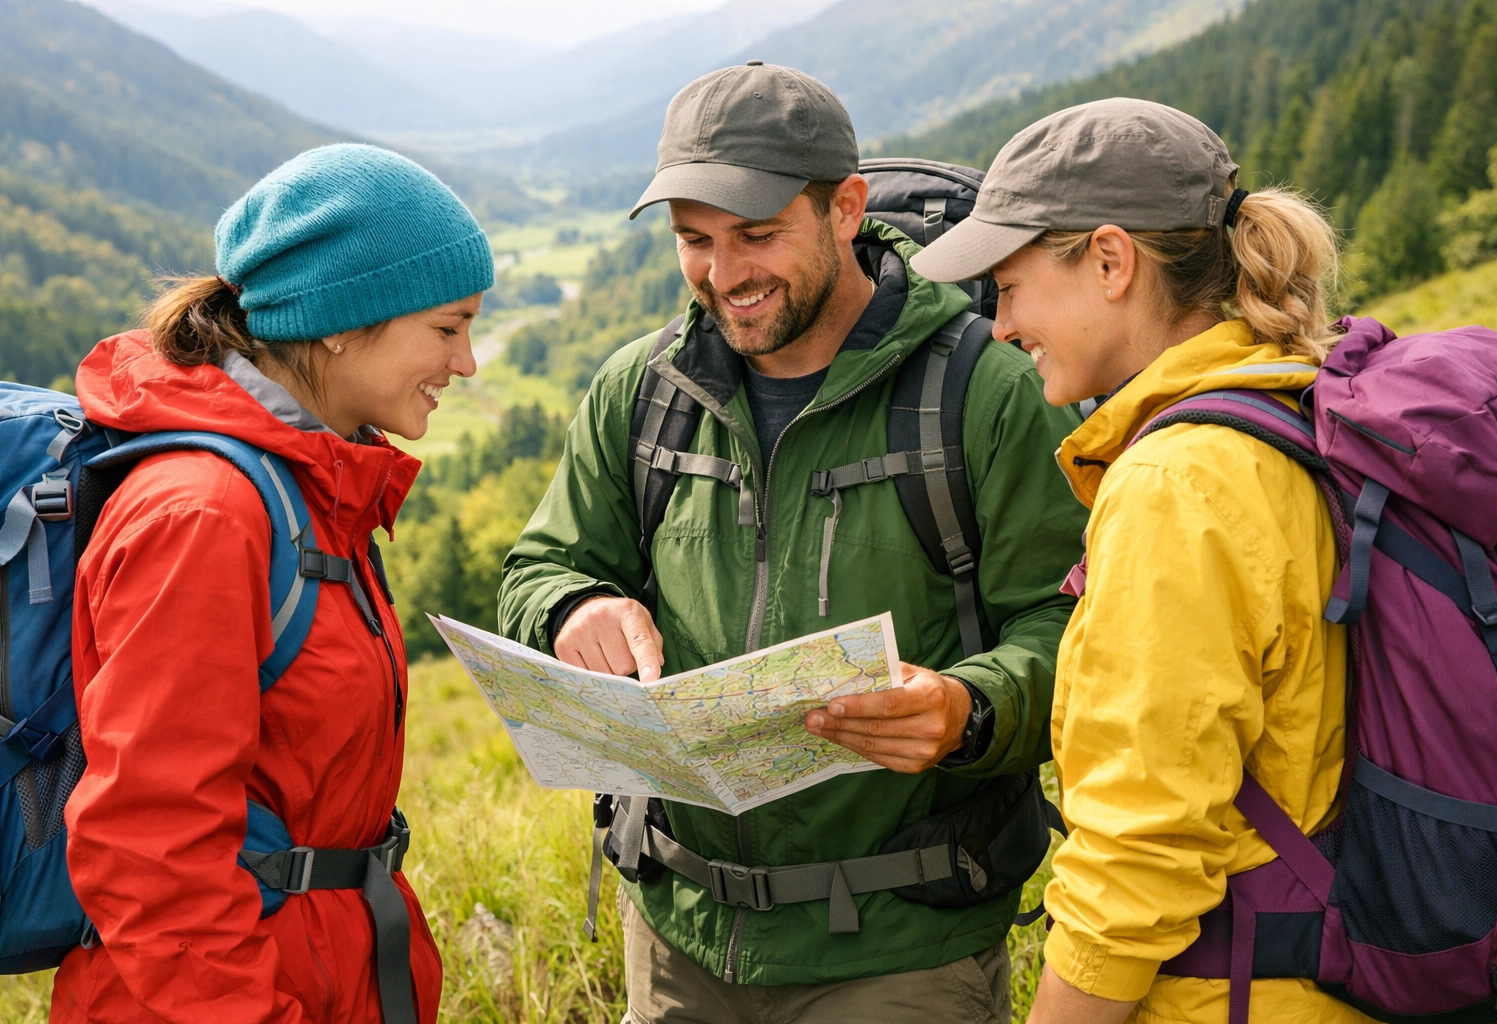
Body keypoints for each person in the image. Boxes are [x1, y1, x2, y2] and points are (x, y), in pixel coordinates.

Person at [500, 62, 1086, 1024]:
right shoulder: (638, 391)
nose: (725, 275)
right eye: (696, 241)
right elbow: (540, 566)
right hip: (679, 931)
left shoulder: (983, 391)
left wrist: (971, 709)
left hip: (903, 946)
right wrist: (573, 609)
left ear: (846, 209)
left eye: (758, 235)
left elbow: (1071, 621)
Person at [912, 98, 1373, 1024]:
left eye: (1008, 285)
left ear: (1111, 261)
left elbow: (1139, 851)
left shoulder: (1178, 482)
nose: (999, 326)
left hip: (1233, 995)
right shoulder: (1289, 399)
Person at [49, 143, 494, 1024]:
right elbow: (151, 853)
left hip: (317, 969)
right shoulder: (207, 518)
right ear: (341, 319)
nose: (468, 361)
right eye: (447, 328)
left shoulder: (311, 489)